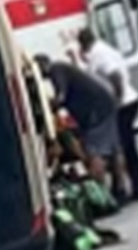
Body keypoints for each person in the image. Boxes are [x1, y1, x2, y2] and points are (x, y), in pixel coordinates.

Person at [79, 27, 138, 203]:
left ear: (84, 44)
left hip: (123, 104)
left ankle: (135, 188)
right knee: (123, 146)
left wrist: (117, 100)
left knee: (123, 147)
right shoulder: (103, 49)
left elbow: (115, 75)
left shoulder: (98, 54)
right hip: (129, 99)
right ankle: (132, 186)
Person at [37, 56, 123, 195]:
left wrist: (49, 108)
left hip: (95, 111)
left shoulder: (56, 69)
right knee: (114, 148)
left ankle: (101, 194)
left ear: (42, 65)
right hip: (105, 103)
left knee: (94, 150)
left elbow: (61, 96)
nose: (42, 77)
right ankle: (121, 188)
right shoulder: (65, 68)